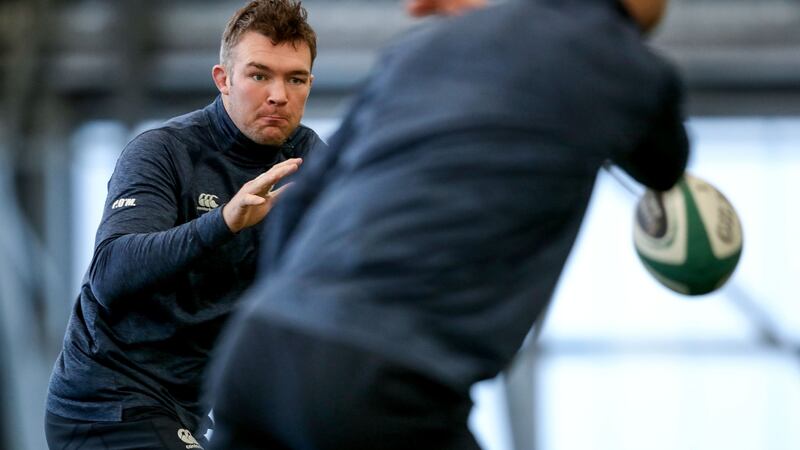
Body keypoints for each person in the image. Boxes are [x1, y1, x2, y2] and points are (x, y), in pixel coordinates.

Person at [208, 0, 689, 449]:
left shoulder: (427, 46)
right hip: (386, 378)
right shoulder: (625, 65)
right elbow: (665, 165)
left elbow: (301, 204)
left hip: (259, 351)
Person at [45, 1, 322, 449]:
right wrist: (224, 221)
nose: (278, 94)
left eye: (295, 79)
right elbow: (111, 273)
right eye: (259, 75)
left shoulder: (310, 160)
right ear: (223, 79)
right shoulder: (163, 151)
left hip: (197, 408)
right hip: (109, 402)